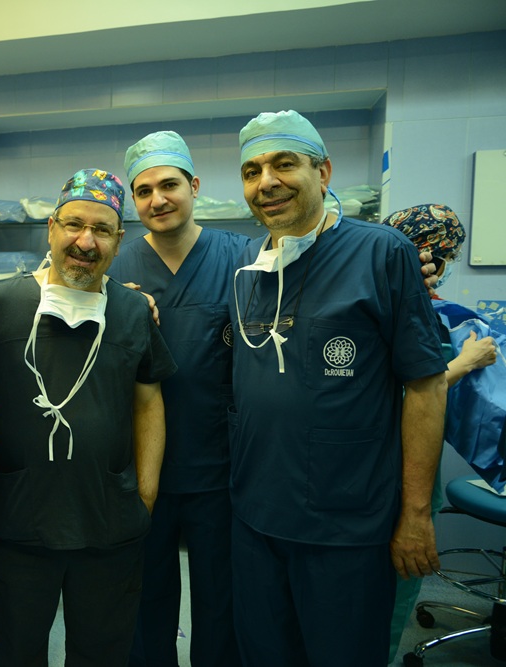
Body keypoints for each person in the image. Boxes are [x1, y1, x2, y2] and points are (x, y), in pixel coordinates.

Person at [228, 110, 448, 667]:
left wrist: (415, 514)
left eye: (284, 164)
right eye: (252, 171)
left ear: (323, 172)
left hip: (346, 523)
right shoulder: (248, 266)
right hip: (256, 516)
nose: (266, 182)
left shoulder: (382, 253)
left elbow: (426, 386)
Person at [0, 168, 176, 666]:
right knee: (17, 655)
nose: (85, 242)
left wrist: (145, 494)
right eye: (73, 225)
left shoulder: (132, 311)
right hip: (19, 523)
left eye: (101, 230)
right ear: (51, 228)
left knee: (102, 655)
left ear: (118, 240)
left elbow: (149, 401)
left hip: (109, 524)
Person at [108, 131, 245, 667]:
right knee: (145, 597)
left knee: (222, 598)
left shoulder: (242, 256)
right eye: (143, 191)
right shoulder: (114, 269)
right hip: (144, 468)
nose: (157, 199)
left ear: (194, 186)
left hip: (220, 466)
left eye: (169, 185)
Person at [382, 203, 498, 662]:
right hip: (394, 468)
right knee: (391, 590)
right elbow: (399, 398)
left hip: (383, 469)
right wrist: (465, 363)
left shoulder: (430, 312)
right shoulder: (401, 311)